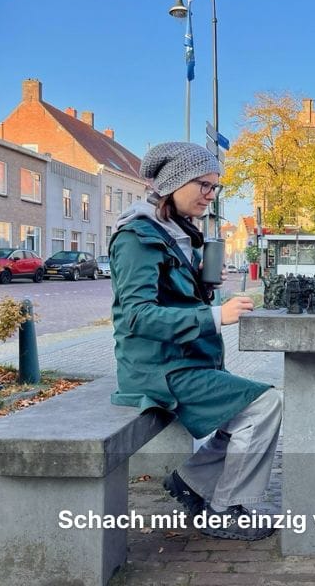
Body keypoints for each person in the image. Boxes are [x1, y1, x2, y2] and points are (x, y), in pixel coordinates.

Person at [109, 142, 282, 541]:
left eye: (215, 187)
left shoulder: (174, 232)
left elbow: (168, 298)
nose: (210, 194)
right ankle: (224, 509)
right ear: (174, 183)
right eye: (203, 185)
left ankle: (189, 481)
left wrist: (202, 285)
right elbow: (136, 315)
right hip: (157, 369)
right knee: (263, 404)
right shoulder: (137, 236)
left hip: (178, 361)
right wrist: (215, 314)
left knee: (244, 412)